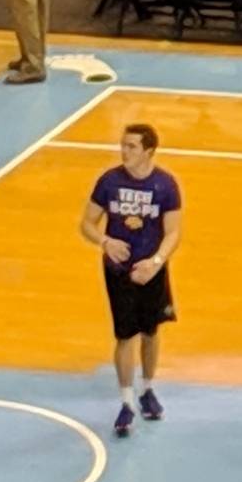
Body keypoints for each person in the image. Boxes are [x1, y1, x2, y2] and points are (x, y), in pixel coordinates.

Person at [79, 121, 181, 441]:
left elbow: (173, 232)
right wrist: (106, 241)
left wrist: (155, 263)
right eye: (123, 145)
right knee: (125, 336)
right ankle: (126, 401)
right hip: (118, 271)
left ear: (149, 150)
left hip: (150, 271)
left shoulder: (165, 185)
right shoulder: (109, 182)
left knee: (150, 332)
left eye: (131, 146)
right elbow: (86, 223)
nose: (124, 151)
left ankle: (147, 389)